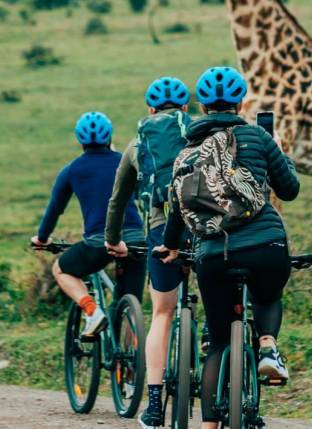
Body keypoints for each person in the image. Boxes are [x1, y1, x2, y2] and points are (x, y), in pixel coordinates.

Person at [158, 66, 300, 429]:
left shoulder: (186, 153)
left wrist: (171, 247)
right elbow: (290, 190)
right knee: (268, 295)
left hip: (213, 254)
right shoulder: (257, 137)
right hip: (266, 243)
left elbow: (177, 209)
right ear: (240, 102)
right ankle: (267, 344)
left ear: (202, 106)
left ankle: (208, 426)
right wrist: (280, 153)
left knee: (219, 341)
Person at [104, 76, 192, 429]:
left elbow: (117, 200)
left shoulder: (135, 147)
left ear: (150, 109)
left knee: (162, 313)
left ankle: (154, 406)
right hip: (203, 229)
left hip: (159, 232)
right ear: (186, 108)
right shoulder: (199, 135)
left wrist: (113, 240)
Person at [31, 112, 146, 337]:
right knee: (131, 308)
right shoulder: (127, 161)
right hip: (136, 240)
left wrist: (42, 239)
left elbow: (55, 209)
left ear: (80, 140)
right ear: (109, 135)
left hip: (98, 243)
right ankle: (132, 366)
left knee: (60, 269)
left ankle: (92, 310)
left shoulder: (72, 170)